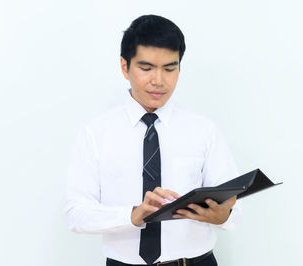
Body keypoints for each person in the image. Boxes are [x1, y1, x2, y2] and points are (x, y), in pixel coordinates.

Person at [65, 14, 241, 266]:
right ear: (125, 67)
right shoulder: (96, 132)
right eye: (146, 68)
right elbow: (76, 213)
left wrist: (223, 216)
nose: (159, 80)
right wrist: (133, 215)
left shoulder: (203, 130)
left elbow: (233, 207)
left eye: (170, 68)